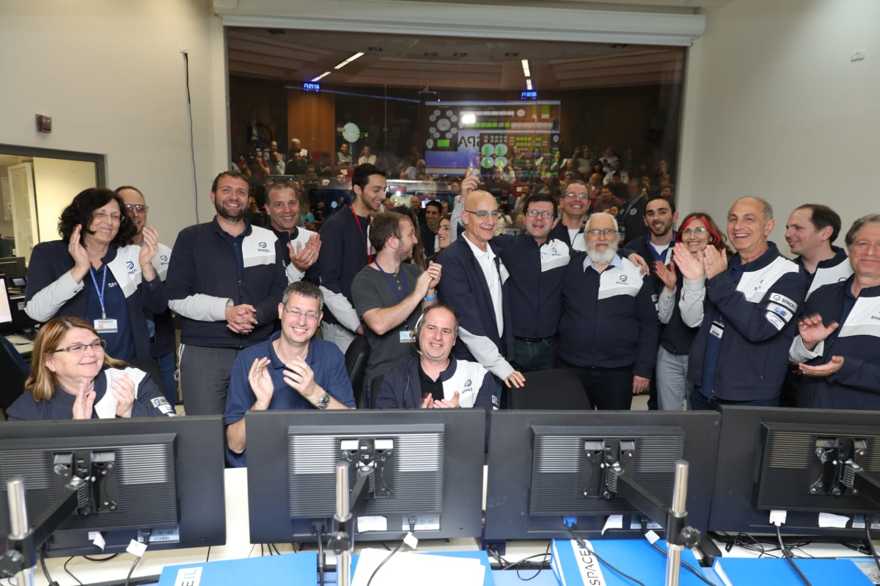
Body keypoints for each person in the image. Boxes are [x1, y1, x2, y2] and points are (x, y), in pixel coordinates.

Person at [166, 171, 287, 416]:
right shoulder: (190, 238)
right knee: (205, 432)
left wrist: (255, 315)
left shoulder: (268, 238)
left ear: (249, 199)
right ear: (213, 196)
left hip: (258, 349)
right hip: (204, 351)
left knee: (258, 428)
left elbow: (280, 292)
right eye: (226, 190)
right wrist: (226, 311)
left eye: (241, 191)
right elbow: (176, 297)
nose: (234, 197)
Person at [25, 188, 166, 373]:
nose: (109, 222)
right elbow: (37, 312)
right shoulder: (49, 254)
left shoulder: (131, 254)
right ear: (82, 217)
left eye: (115, 216)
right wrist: (79, 270)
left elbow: (158, 306)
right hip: (72, 372)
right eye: (101, 214)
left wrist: (147, 267)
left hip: (126, 369)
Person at [688, 197, 807, 409]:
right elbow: (697, 321)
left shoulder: (789, 274)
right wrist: (695, 282)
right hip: (703, 390)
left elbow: (760, 328)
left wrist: (717, 280)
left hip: (749, 396)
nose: (738, 226)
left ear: (768, 226)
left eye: (749, 219)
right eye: (732, 219)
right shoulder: (725, 265)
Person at [224, 282, 354, 466]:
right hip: (261, 470)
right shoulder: (249, 360)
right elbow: (235, 445)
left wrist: (314, 392)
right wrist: (260, 405)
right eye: (295, 311)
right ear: (280, 311)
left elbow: (352, 427)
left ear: (319, 319)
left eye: (311, 315)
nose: (302, 321)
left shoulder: (330, 355)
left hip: (315, 467)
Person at [558, 212, 659, 410]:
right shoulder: (570, 267)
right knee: (572, 431)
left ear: (618, 237)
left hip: (618, 373)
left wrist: (643, 370)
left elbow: (649, 325)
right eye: (595, 232)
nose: (602, 237)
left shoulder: (636, 271)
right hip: (572, 369)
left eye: (608, 232)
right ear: (585, 238)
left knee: (614, 433)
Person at [437, 185, 526, 392]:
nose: (490, 221)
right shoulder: (451, 259)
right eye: (482, 214)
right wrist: (502, 367)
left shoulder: (497, 252)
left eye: (494, 214)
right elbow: (466, 323)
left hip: (498, 359)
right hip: (469, 365)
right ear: (465, 218)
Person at [788, 215, 880, 409]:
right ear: (849, 249)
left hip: (868, 427)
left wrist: (846, 369)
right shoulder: (821, 296)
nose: (871, 252)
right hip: (811, 418)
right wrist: (807, 344)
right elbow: (791, 357)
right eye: (862, 243)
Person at [6, 316, 174, 420]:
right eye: (76, 348)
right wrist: (79, 432)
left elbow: (174, 432)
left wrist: (132, 411)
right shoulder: (27, 410)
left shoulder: (132, 380)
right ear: (49, 361)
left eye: (95, 344)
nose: (91, 354)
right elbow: (27, 471)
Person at [351, 212, 441, 402]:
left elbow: (429, 318)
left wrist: (430, 291)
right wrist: (418, 293)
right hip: (384, 378)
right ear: (392, 241)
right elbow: (379, 324)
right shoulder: (364, 280)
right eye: (410, 234)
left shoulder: (413, 271)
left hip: (419, 373)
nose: (416, 240)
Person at [653, 213, 728, 410]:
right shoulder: (676, 264)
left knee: (698, 417)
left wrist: (697, 279)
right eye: (687, 230)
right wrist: (669, 288)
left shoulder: (720, 269)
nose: (692, 235)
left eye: (699, 230)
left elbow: (694, 320)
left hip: (701, 357)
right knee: (669, 418)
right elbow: (663, 316)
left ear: (711, 236)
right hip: (669, 353)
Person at [315, 163, 386, 352]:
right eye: (376, 190)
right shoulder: (336, 226)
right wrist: (357, 324)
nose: (382, 196)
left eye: (384, 189)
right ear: (357, 189)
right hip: (343, 328)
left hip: (372, 323)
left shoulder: (377, 224)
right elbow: (328, 285)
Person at [116, 185, 177, 404]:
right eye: (127, 208)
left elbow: (170, 301)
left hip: (160, 349)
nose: (134, 214)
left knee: (165, 406)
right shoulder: (108, 255)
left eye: (139, 208)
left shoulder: (164, 253)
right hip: (121, 352)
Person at [373, 304, 500, 409]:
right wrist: (418, 419)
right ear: (418, 333)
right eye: (431, 328)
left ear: (454, 339)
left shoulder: (479, 375)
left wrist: (461, 417)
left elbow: (490, 430)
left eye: (445, 331)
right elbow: (384, 432)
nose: (438, 337)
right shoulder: (394, 378)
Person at [496, 194, 569, 372]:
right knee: (514, 399)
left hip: (550, 348)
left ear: (554, 221)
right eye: (533, 212)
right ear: (524, 217)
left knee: (546, 398)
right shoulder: (505, 246)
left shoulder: (563, 250)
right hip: (514, 347)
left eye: (546, 214)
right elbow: (471, 239)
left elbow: (596, 254)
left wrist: (627, 252)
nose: (539, 218)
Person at [785, 203, 851, 299]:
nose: (787, 234)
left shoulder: (854, 270)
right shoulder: (784, 270)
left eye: (798, 228)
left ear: (825, 233)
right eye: (787, 228)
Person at [263, 180, 321, 283]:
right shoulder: (258, 242)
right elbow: (268, 293)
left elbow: (325, 285)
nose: (287, 210)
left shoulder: (312, 238)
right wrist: (297, 268)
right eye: (279, 204)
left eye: (292, 203)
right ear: (268, 209)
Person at [548, 180, 589, 250]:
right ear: (561, 202)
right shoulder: (547, 234)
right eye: (571, 195)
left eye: (583, 196)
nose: (577, 199)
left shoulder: (596, 235)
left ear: (588, 204)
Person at [620, 179, 649, 246]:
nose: (630, 190)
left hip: (637, 244)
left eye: (633, 187)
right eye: (629, 187)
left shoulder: (644, 204)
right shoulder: (626, 204)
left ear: (639, 189)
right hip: (624, 244)